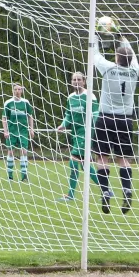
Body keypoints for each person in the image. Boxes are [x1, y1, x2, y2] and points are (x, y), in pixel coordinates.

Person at [91, 33, 139, 215]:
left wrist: (95, 35)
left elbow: (95, 55)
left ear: (117, 58)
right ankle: (126, 190)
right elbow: (133, 55)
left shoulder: (109, 68)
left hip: (105, 118)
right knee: (123, 159)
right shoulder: (134, 70)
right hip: (125, 120)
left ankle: (105, 191)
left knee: (102, 158)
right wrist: (122, 37)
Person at [56, 72, 100, 201]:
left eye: (79, 79)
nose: (76, 81)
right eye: (74, 79)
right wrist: (63, 125)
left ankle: (70, 195)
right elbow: (68, 115)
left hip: (86, 133)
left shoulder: (90, 96)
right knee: (84, 165)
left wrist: (92, 132)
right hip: (75, 134)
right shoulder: (71, 97)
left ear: (84, 82)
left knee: (73, 161)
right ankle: (106, 189)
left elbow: (96, 114)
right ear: (71, 81)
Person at [2, 83, 34, 182]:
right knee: (11, 152)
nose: (17, 91)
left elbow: (30, 116)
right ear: (13, 90)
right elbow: (4, 117)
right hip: (12, 131)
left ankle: (24, 176)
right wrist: (5, 131)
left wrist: (31, 129)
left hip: (23, 131)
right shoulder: (8, 103)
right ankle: (10, 176)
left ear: (22, 91)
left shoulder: (26, 102)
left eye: (19, 89)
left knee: (24, 151)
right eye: (15, 89)